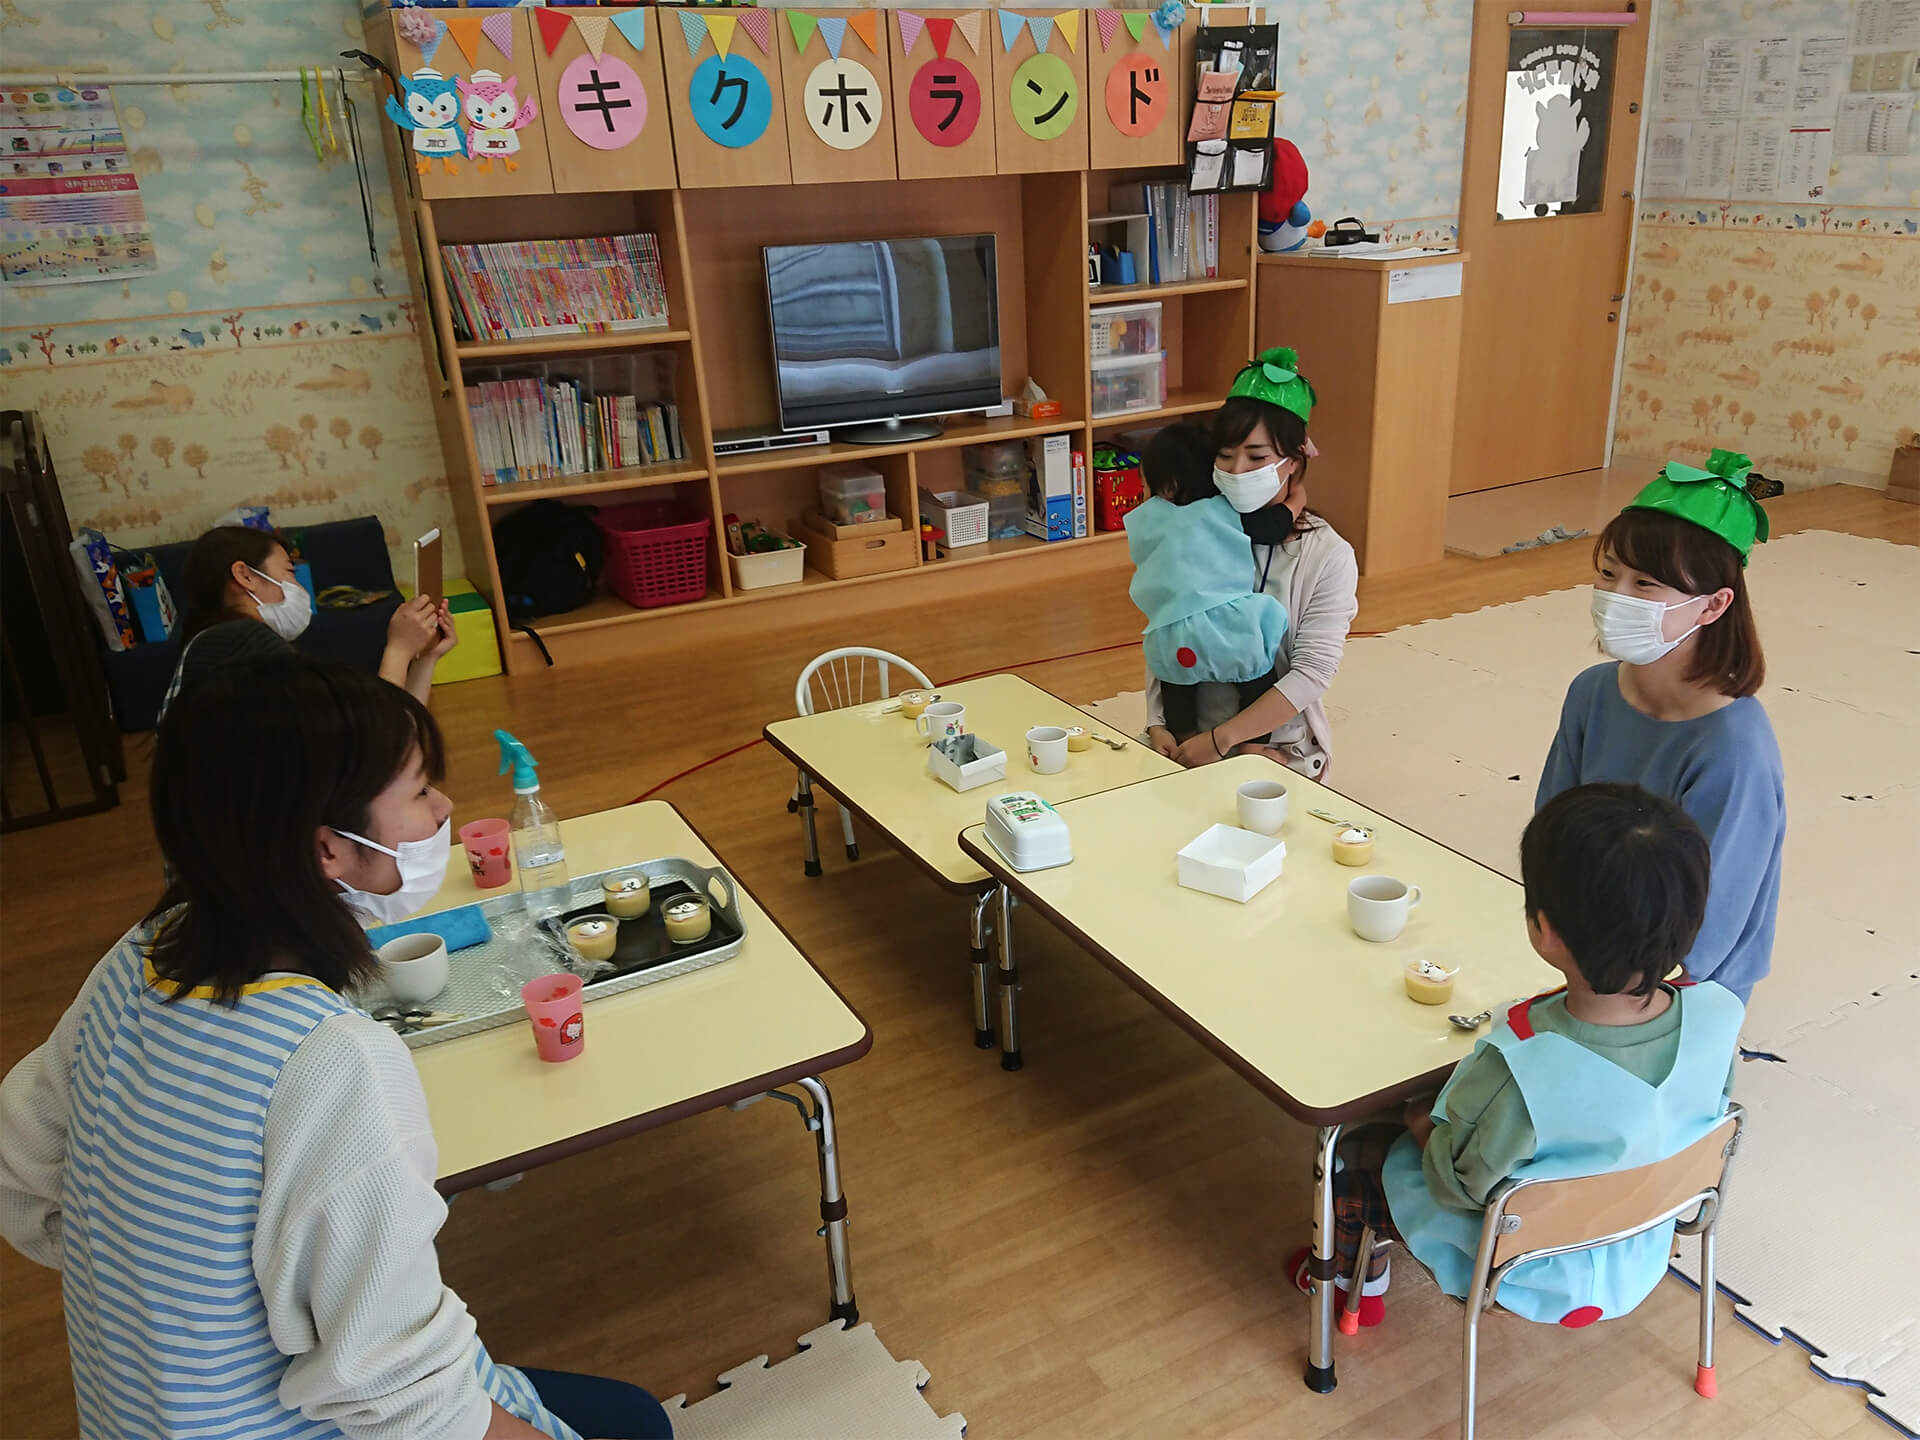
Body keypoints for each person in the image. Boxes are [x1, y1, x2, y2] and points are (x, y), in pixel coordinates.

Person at [0, 657, 672, 1440]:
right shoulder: (328, 1060)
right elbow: (399, 1396)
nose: (444, 809)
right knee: (633, 1423)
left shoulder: (139, 957)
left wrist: (176, 1314)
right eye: (421, 792)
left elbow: (24, 1174)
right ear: (327, 849)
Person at [1298, 782, 1743, 1329]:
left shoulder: (1520, 1067)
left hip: (1528, 1269)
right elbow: (1702, 1116)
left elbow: (1456, 1184)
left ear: (1545, 929)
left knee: (1351, 1149)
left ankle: (1353, 1287)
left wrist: (1417, 1117)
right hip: (1639, 1243)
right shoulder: (1720, 1015)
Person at [1537, 449, 1784, 1003]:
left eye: (1646, 584)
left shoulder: (1732, 746)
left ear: (1712, 606)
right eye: (1607, 574)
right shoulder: (1593, 693)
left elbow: (1713, 916)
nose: (1614, 597)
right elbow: (1553, 830)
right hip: (1581, 951)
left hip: (1682, 982)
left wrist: (1614, 986)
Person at [1143, 347, 1360, 779]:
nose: (1239, 470)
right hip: (1185, 740)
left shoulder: (1327, 556)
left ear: (1294, 460)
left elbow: (1311, 674)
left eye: (1257, 457)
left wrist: (1224, 742)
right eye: (1225, 456)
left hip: (1276, 749)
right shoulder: (1197, 527)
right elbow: (1167, 629)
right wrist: (1157, 720)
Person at [163, 524, 454, 718]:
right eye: (289, 573)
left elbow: (401, 735)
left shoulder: (221, 643)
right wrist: (399, 650)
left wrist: (427, 657)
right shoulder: (239, 645)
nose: (298, 588)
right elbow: (378, 743)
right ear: (245, 575)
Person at [1124, 422, 1290, 744]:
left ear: (1168, 486)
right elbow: (1275, 526)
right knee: (1258, 680)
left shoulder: (1147, 519)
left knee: (1176, 686)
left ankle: (1183, 739)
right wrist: (1296, 499)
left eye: (1146, 485)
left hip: (1173, 632)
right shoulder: (1225, 510)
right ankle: (1254, 749)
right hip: (1231, 629)